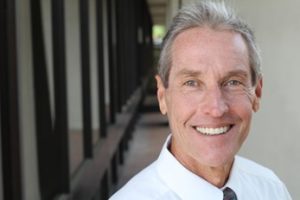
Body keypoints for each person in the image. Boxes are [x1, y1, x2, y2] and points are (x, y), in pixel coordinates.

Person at [110, 1, 292, 199]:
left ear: (256, 93)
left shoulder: (272, 190)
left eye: (232, 82)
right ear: (162, 96)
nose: (216, 108)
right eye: (191, 83)